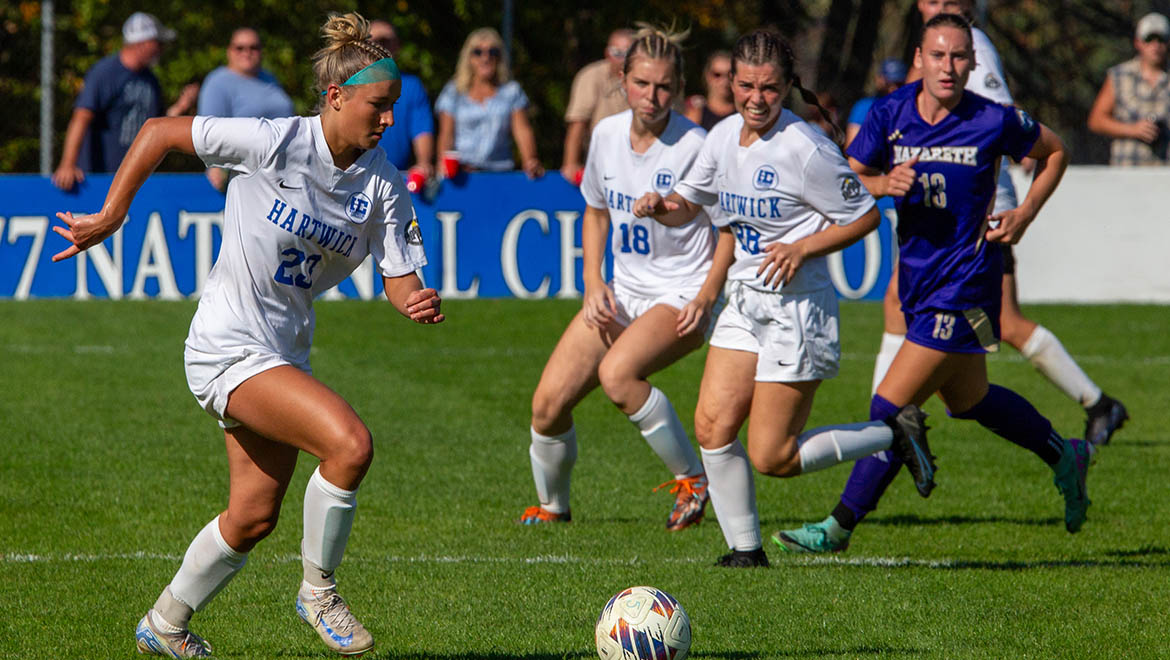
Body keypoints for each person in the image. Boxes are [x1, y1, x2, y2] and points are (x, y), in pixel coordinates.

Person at [51, 12, 443, 657]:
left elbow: (401, 279)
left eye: (394, 106)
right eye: (378, 105)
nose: (389, 120)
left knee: (253, 517)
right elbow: (157, 132)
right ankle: (319, 591)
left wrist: (413, 302)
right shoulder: (273, 140)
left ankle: (165, 624)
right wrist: (111, 216)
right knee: (349, 446)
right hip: (227, 346)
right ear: (335, 97)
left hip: (284, 352)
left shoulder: (383, 186)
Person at [775, 13, 1092, 555]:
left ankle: (837, 528)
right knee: (971, 400)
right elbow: (849, 175)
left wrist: (1026, 213)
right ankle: (1067, 454)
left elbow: (1055, 150)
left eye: (959, 56)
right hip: (919, 285)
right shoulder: (890, 114)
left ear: (973, 63)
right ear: (919, 59)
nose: (949, 66)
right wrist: (880, 181)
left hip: (968, 285)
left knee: (889, 409)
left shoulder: (993, 120)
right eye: (938, 55)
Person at [633, 29, 933, 568]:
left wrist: (802, 247)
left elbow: (864, 215)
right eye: (745, 85)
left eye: (769, 88)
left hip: (798, 311)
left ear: (788, 86)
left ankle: (893, 432)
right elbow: (688, 203)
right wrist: (660, 206)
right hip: (745, 302)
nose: (755, 98)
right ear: (730, 82)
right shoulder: (722, 137)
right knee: (712, 427)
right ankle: (745, 552)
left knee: (773, 455)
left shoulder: (806, 148)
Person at [871, 0, 1128, 447]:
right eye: (932, 0)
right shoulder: (934, 51)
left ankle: (887, 422)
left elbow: (994, 115)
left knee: (1000, 322)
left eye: (950, 1)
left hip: (980, 209)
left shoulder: (974, 49)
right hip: (949, 210)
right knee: (968, 374)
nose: (940, 7)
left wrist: (1020, 206)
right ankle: (890, 420)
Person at [520, 24, 727, 532]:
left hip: (682, 293)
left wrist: (706, 295)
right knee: (547, 407)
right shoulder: (608, 135)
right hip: (625, 292)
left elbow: (729, 230)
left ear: (677, 87)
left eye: (662, 86)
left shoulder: (696, 145)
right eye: (641, 84)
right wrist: (593, 281)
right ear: (623, 79)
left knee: (617, 375)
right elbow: (595, 213)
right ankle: (553, 510)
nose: (652, 96)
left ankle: (695, 482)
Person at [52, 12, 198, 191]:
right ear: (142, 43)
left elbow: (157, 126)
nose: (161, 49)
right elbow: (81, 116)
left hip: (136, 179)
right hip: (99, 178)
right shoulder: (105, 73)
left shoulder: (150, 80)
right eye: (157, 43)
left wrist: (181, 106)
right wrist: (68, 164)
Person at [197, 27, 295, 191]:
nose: (247, 52)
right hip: (246, 174)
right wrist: (216, 167)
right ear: (229, 51)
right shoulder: (218, 82)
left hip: (282, 169)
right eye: (240, 48)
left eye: (253, 47)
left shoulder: (269, 78)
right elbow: (207, 132)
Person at [435, 28, 543, 177]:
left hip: (500, 174)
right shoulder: (453, 91)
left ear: (500, 57)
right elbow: (446, 135)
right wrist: (443, 166)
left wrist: (530, 160)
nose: (485, 58)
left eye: (492, 52)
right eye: (478, 52)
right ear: (469, 58)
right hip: (462, 176)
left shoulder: (512, 91)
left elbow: (522, 130)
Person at [1088, 12, 1170, 166]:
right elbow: (1096, 120)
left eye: (1161, 39)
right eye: (1149, 39)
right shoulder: (1119, 76)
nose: (1155, 45)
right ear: (1138, 42)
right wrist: (1133, 129)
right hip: (1127, 172)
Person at [560, 28, 635, 183]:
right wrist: (570, 164)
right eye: (617, 53)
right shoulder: (590, 76)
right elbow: (577, 125)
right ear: (607, 53)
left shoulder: (650, 78)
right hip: (600, 165)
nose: (623, 59)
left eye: (629, 54)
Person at [370, 19, 435, 182]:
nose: (380, 48)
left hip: (395, 178)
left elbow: (422, 130)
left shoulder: (411, 87)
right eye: (375, 42)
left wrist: (424, 163)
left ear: (397, 46)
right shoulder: (348, 84)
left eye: (386, 42)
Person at [844, 58, 908, 146]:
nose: (894, 89)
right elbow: (851, 145)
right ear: (880, 80)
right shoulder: (865, 107)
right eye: (889, 83)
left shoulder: (908, 109)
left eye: (899, 84)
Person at [684, 50, 734, 131]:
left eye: (730, 75)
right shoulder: (695, 114)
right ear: (707, 76)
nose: (724, 81)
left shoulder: (744, 116)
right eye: (717, 75)